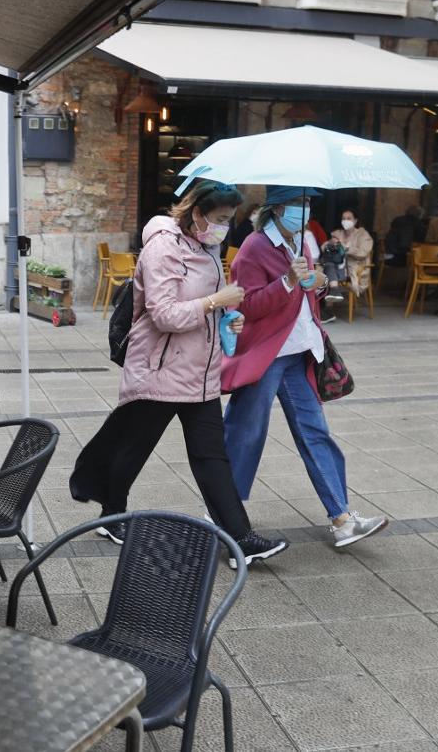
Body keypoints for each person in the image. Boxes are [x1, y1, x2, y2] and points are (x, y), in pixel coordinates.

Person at [70, 181, 288, 568]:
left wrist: (227, 318)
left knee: (211, 455)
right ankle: (110, 512)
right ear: (197, 213)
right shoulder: (163, 247)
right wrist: (214, 302)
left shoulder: (208, 245)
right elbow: (164, 314)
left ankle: (241, 539)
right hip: (160, 367)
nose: (225, 227)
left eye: (230, 220)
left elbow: (209, 305)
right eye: (220, 219)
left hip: (200, 371)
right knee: (133, 446)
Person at [222, 185, 388, 549]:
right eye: (300, 203)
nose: (306, 209)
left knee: (315, 432)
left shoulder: (301, 243)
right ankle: (223, 515)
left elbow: (305, 297)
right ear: (279, 209)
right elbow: (246, 305)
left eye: (309, 202)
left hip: (299, 353)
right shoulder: (254, 248)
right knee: (245, 433)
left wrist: (319, 284)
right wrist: (288, 281)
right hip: (266, 355)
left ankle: (342, 518)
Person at [330, 209, 375, 300]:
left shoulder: (363, 235)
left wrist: (345, 248)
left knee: (329, 272)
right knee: (325, 269)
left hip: (355, 269)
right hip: (337, 266)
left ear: (355, 221)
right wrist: (331, 245)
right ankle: (328, 303)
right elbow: (325, 248)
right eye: (343, 218)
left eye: (349, 218)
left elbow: (363, 252)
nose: (345, 221)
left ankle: (329, 304)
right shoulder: (337, 233)